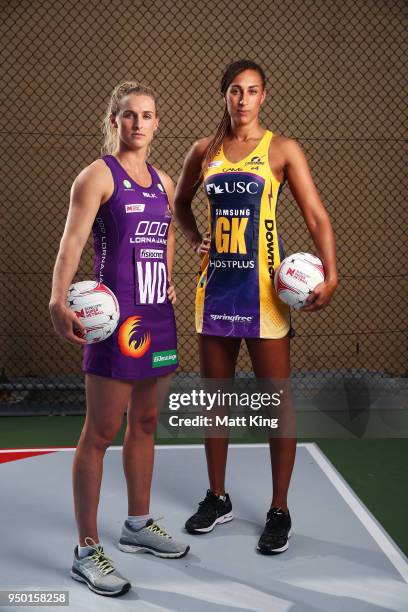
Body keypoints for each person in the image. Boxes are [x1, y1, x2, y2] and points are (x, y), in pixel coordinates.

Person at [174, 59, 337, 555]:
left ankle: (279, 509)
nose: (243, 100)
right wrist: (198, 239)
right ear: (223, 95)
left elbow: (316, 216)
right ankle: (217, 497)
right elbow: (180, 204)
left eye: (252, 91)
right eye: (235, 91)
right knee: (215, 401)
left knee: (275, 405)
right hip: (215, 291)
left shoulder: (282, 149)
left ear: (263, 96)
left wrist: (332, 275)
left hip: (265, 295)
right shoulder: (204, 151)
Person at [49, 82, 189, 597]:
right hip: (115, 324)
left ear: (156, 123)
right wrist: (57, 300)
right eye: (128, 115)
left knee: (147, 422)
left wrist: (169, 276)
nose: (137, 124)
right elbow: (72, 241)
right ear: (114, 121)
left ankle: (137, 525)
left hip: (157, 318)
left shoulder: (162, 181)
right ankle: (86, 550)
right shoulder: (97, 177)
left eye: (147, 115)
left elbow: (168, 233)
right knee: (100, 433)